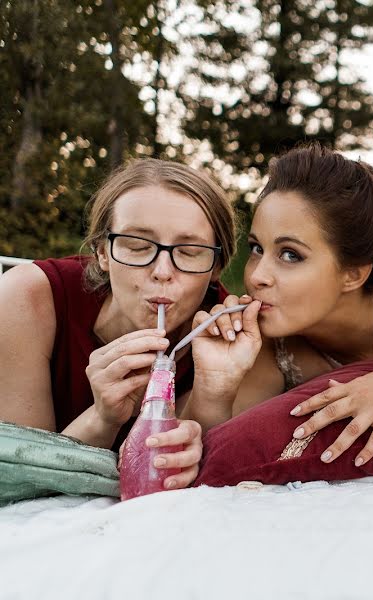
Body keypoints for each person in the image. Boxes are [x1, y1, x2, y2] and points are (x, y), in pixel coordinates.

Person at [183, 143, 373, 467]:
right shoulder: (270, 332)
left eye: (290, 254)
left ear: (353, 274)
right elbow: (214, 455)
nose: (256, 276)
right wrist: (214, 385)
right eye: (257, 248)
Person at [0, 159, 237, 490]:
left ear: (216, 266)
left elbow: (183, 475)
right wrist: (102, 418)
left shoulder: (227, 335)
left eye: (189, 251)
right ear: (103, 253)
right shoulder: (27, 298)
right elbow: (18, 482)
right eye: (138, 246)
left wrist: (214, 392)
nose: (163, 271)